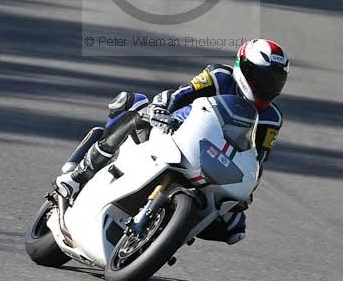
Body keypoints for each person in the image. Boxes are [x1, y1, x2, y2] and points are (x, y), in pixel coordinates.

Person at [55, 38, 289, 245]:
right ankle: (77, 178)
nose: (266, 86)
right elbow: (180, 94)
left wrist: (246, 191)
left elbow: (258, 158)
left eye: (274, 82)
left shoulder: (272, 117)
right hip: (175, 129)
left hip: (214, 160)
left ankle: (165, 235)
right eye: (261, 78)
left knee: (234, 227)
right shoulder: (219, 76)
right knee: (140, 111)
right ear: (243, 67)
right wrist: (159, 108)